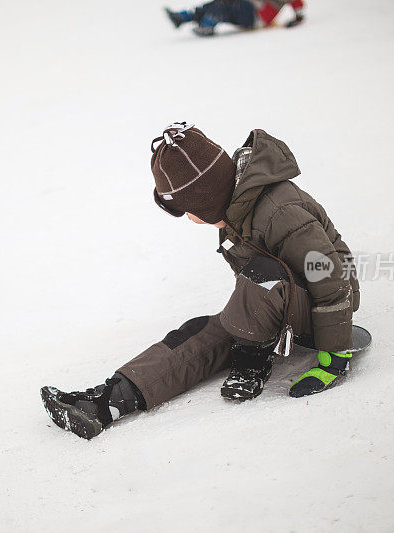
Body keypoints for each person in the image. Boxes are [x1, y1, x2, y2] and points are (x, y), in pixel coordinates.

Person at [40, 122, 360, 439]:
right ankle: (104, 403)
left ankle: (254, 357)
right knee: (199, 333)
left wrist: (334, 357)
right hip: (276, 300)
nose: (191, 220)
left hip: (329, 302)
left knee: (261, 275)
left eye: (189, 211)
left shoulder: (279, 211)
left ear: (206, 200)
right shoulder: (235, 212)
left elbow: (330, 277)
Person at [164, 0, 306, 36]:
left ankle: (207, 25)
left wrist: (298, 17)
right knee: (220, 2)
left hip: (256, 17)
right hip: (248, 10)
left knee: (224, 4)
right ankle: (182, 17)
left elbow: (297, 3)